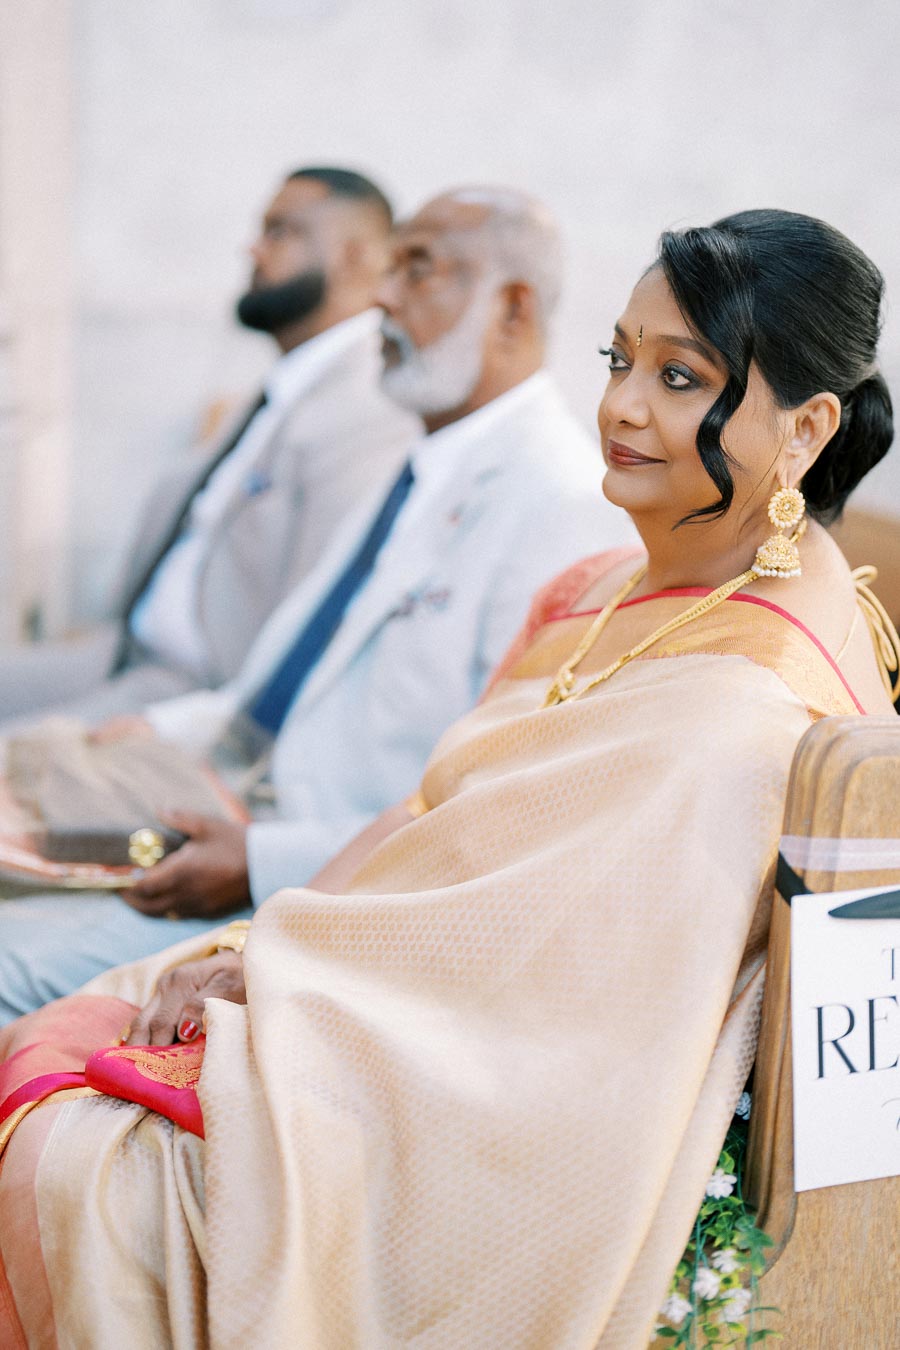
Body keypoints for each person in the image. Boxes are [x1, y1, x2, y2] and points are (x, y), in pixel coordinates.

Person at [1, 208, 895, 1349]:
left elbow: (542, 1002)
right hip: (364, 952)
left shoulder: (738, 706)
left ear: (809, 426)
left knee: (83, 1162)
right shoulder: (617, 579)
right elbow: (445, 822)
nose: (622, 406)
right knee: (92, 1024)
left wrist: (271, 978)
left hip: (475, 1078)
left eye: (682, 378)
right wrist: (260, 947)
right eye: (621, 359)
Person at [0, 186, 634, 1018]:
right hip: (220, 800)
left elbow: (487, 807)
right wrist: (148, 729)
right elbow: (279, 692)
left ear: (512, 308)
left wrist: (257, 858)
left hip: (315, 884)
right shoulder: (422, 464)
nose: (380, 295)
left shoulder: (560, 502)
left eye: (418, 268)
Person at [0, 166, 418, 725]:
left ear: (355, 258)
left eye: (280, 232)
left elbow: (308, 630)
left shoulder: (367, 408)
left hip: (186, 697)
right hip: (118, 656)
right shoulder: (290, 385)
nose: (254, 248)